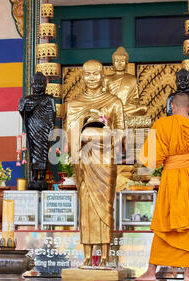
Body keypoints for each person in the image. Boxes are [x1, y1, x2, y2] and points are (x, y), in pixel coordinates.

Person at [135, 92, 189, 281]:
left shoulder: (161, 125)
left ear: (172, 106)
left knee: (164, 222)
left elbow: (150, 161)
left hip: (171, 178)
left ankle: (151, 271)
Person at [63, 60, 125, 268]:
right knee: (87, 207)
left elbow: (122, 133)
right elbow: (70, 138)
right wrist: (84, 124)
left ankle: (105, 256)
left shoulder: (114, 102)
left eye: (95, 74)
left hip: (106, 161)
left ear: (103, 75)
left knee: (105, 207)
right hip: (84, 161)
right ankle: (87, 256)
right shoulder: (74, 103)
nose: (91, 79)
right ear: (81, 76)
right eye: (87, 74)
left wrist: (106, 130)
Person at [18, 72, 56, 190]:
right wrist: (22, 105)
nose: (38, 86)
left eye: (41, 84)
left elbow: (52, 113)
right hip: (33, 129)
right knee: (33, 153)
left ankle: (42, 177)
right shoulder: (28, 99)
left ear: (45, 85)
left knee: (43, 153)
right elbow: (22, 110)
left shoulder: (49, 99)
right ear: (32, 85)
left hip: (44, 130)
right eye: (36, 84)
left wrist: (50, 127)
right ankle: (34, 176)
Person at [104, 46, 147, 117]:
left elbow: (135, 99)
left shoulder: (132, 79)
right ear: (113, 63)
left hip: (127, 108)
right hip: (113, 107)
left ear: (126, 63)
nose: (119, 64)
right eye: (117, 61)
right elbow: (104, 97)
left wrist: (132, 104)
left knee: (144, 108)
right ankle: (120, 114)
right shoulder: (107, 78)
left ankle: (120, 114)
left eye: (122, 61)